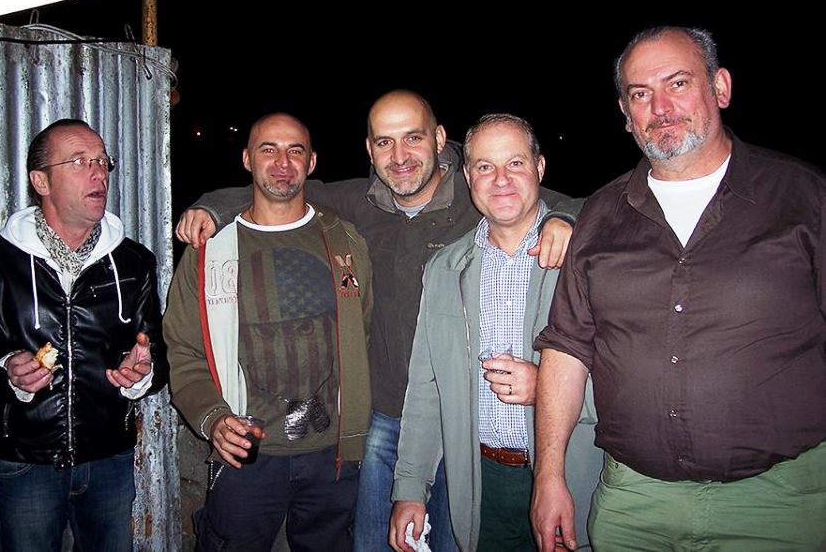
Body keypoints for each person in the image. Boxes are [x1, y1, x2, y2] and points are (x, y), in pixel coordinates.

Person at [175, 90, 579, 551]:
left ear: (439, 139)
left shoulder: (482, 194)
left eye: (413, 138)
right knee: (373, 541)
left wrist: (565, 218)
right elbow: (282, 186)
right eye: (385, 142)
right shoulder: (358, 203)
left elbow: (578, 204)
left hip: (463, 416)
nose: (400, 156)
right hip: (383, 417)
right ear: (369, 150)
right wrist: (212, 207)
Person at [531, 26, 826, 552]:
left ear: (721, 87)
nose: (661, 107)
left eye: (678, 83)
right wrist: (548, 476)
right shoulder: (599, 215)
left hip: (780, 502)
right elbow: (566, 348)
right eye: (641, 93)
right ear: (626, 113)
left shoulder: (804, 197)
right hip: (632, 502)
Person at [0, 118, 168, 552]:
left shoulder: (133, 262)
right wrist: (8, 372)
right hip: (25, 463)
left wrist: (141, 374)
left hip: (109, 459)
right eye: (79, 162)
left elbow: (156, 358)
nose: (98, 173)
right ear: (40, 181)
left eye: (102, 161)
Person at [388, 114, 600, 552]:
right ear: (468, 177)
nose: (500, 179)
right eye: (485, 166)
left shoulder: (588, 257)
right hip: (480, 484)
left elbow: (635, 375)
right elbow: (427, 388)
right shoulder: (445, 269)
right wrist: (410, 488)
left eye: (515, 163)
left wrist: (550, 388)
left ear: (540, 167)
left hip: (575, 476)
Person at [163, 113, 373, 551]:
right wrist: (213, 418)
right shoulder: (209, 250)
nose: (282, 162)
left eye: (295, 150)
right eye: (268, 149)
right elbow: (184, 349)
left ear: (311, 162)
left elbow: (362, 331)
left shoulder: (345, 242)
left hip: (332, 453)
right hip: (245, 453)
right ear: (247, 159)